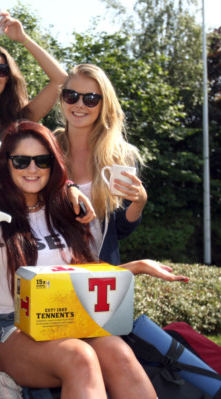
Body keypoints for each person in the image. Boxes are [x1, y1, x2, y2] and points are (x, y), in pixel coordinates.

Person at [0, 120, 159, 399]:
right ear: (6, 164)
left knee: (119, 352)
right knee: (80, 357)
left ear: (53, 164)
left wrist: (134, 267)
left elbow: (81, 279)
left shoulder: (68, 208)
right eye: (21, 161)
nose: (32, 169)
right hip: (10, 326)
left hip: (67, 318)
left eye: (41, 161)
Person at [54, 64, 188, 282]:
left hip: (100, 277)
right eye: (71, 96)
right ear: (62, 100)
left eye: (90, 99)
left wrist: (139, 202)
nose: (79, 104)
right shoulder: (46, 149)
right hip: (51, 271)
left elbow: (120, 229)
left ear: (103, 104)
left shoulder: (119, 156)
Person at [0, 10, 68, 138]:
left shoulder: (22, 118)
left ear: (8, 77)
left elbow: (61, 80)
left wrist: (23, 38)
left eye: (1, 70)